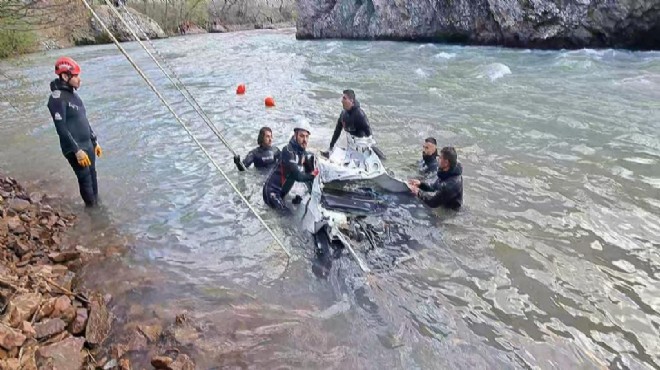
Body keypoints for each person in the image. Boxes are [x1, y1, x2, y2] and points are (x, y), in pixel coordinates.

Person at [47, 57, 103, 208]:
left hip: (87, 144)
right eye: (76, 75)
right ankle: (92, 213)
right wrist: (76, 150)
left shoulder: (74, 95)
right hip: (74, 148)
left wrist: (94, 140)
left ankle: (97, 210)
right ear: (65, 76)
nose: (80, 79)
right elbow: (61, 128)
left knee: (93, 175)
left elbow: (83, 120)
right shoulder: (56, 99)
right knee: (85, 178)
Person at [262, 121, 318, 210]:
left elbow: (309, 181)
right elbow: (298, 176)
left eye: (307, 137)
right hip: (271, 192)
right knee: (286, 217)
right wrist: (313, 175)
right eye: (302, 136)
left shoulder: (305, 154)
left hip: (282, 193)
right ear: (295, 136)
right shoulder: (287, 151)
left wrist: (315, 200)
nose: (305, 140)